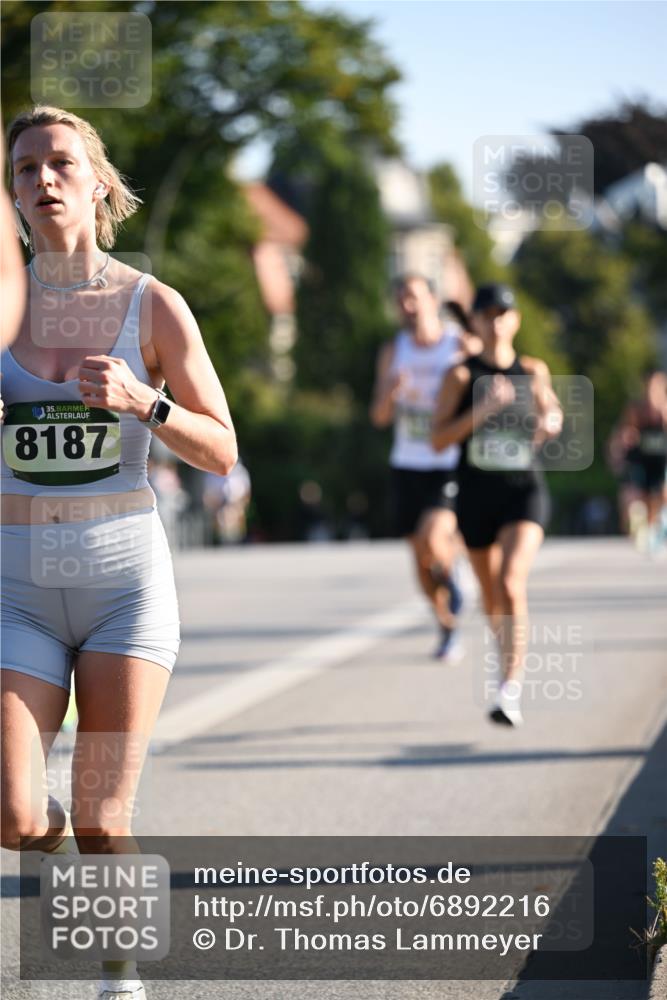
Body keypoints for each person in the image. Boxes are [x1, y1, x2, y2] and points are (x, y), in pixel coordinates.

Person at [1, 105, 237, 1000]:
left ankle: (119, 971)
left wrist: (146, 402)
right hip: (14, 591)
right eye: (25, 170)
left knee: (104, 822)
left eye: (61, 162)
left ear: (98, 183)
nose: (43, 179)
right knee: (16, 816)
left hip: (121, 592)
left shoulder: (151, 305)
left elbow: (222, 448)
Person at [431, 283, 562, 726]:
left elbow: (552, 414)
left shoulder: (533, 369)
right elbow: (438, 439)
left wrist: (550, 420)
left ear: (516, 320)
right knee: (492, 596)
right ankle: (506, 653)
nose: (497, 320)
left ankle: (510, 688)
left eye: (505, 312)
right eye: (487, 313)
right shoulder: (461, 376)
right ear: (477, 322)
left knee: (510, 582)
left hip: (522, 490)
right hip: (475, 495)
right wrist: (481, 412)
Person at [370, 273, 465, 659]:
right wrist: (391, 393)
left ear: (433, 298)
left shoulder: (458, 344)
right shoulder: (395, 350)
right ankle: (446, 623)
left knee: (433, 536)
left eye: (413, 297)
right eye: (400, 300)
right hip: (406, 462)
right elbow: (378, 416)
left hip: (448, 460)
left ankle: (454, 579)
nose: (407, 306)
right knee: (420, 558)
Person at [607, 367, 667, 551]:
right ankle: (638, 526)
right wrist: (618, 451)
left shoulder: (664, 411)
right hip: (639, 460)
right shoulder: (635, 410)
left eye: (656, 387)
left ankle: (655, 527)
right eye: (648, 386)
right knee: (632, 498)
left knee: (659, 498)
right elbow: (618, 437)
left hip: (660, 461)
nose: (651, 391)